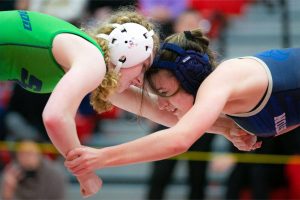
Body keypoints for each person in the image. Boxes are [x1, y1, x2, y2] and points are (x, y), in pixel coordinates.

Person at [65, 28, 300, 184]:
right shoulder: (226, 104)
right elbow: (147, 107)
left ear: (191, 79)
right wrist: (90, 70)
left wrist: (102, 157)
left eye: (164, 93)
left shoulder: (225, 79)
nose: (162, 104)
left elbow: (178, 139)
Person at [0, 8, 160, 197]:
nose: (141, 81)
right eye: (143, 67)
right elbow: (55, 117)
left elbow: (161, 112)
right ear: (125, 55)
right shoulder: (94, 62)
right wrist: (85, 174)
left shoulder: (89, 60)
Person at [1, 139, 67, 200]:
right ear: (17, 156)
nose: (27, 158)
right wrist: (8, 191)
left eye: (30, 153)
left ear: (39, 154)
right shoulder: (11, 174)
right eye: (22, 154)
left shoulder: (54, 174)